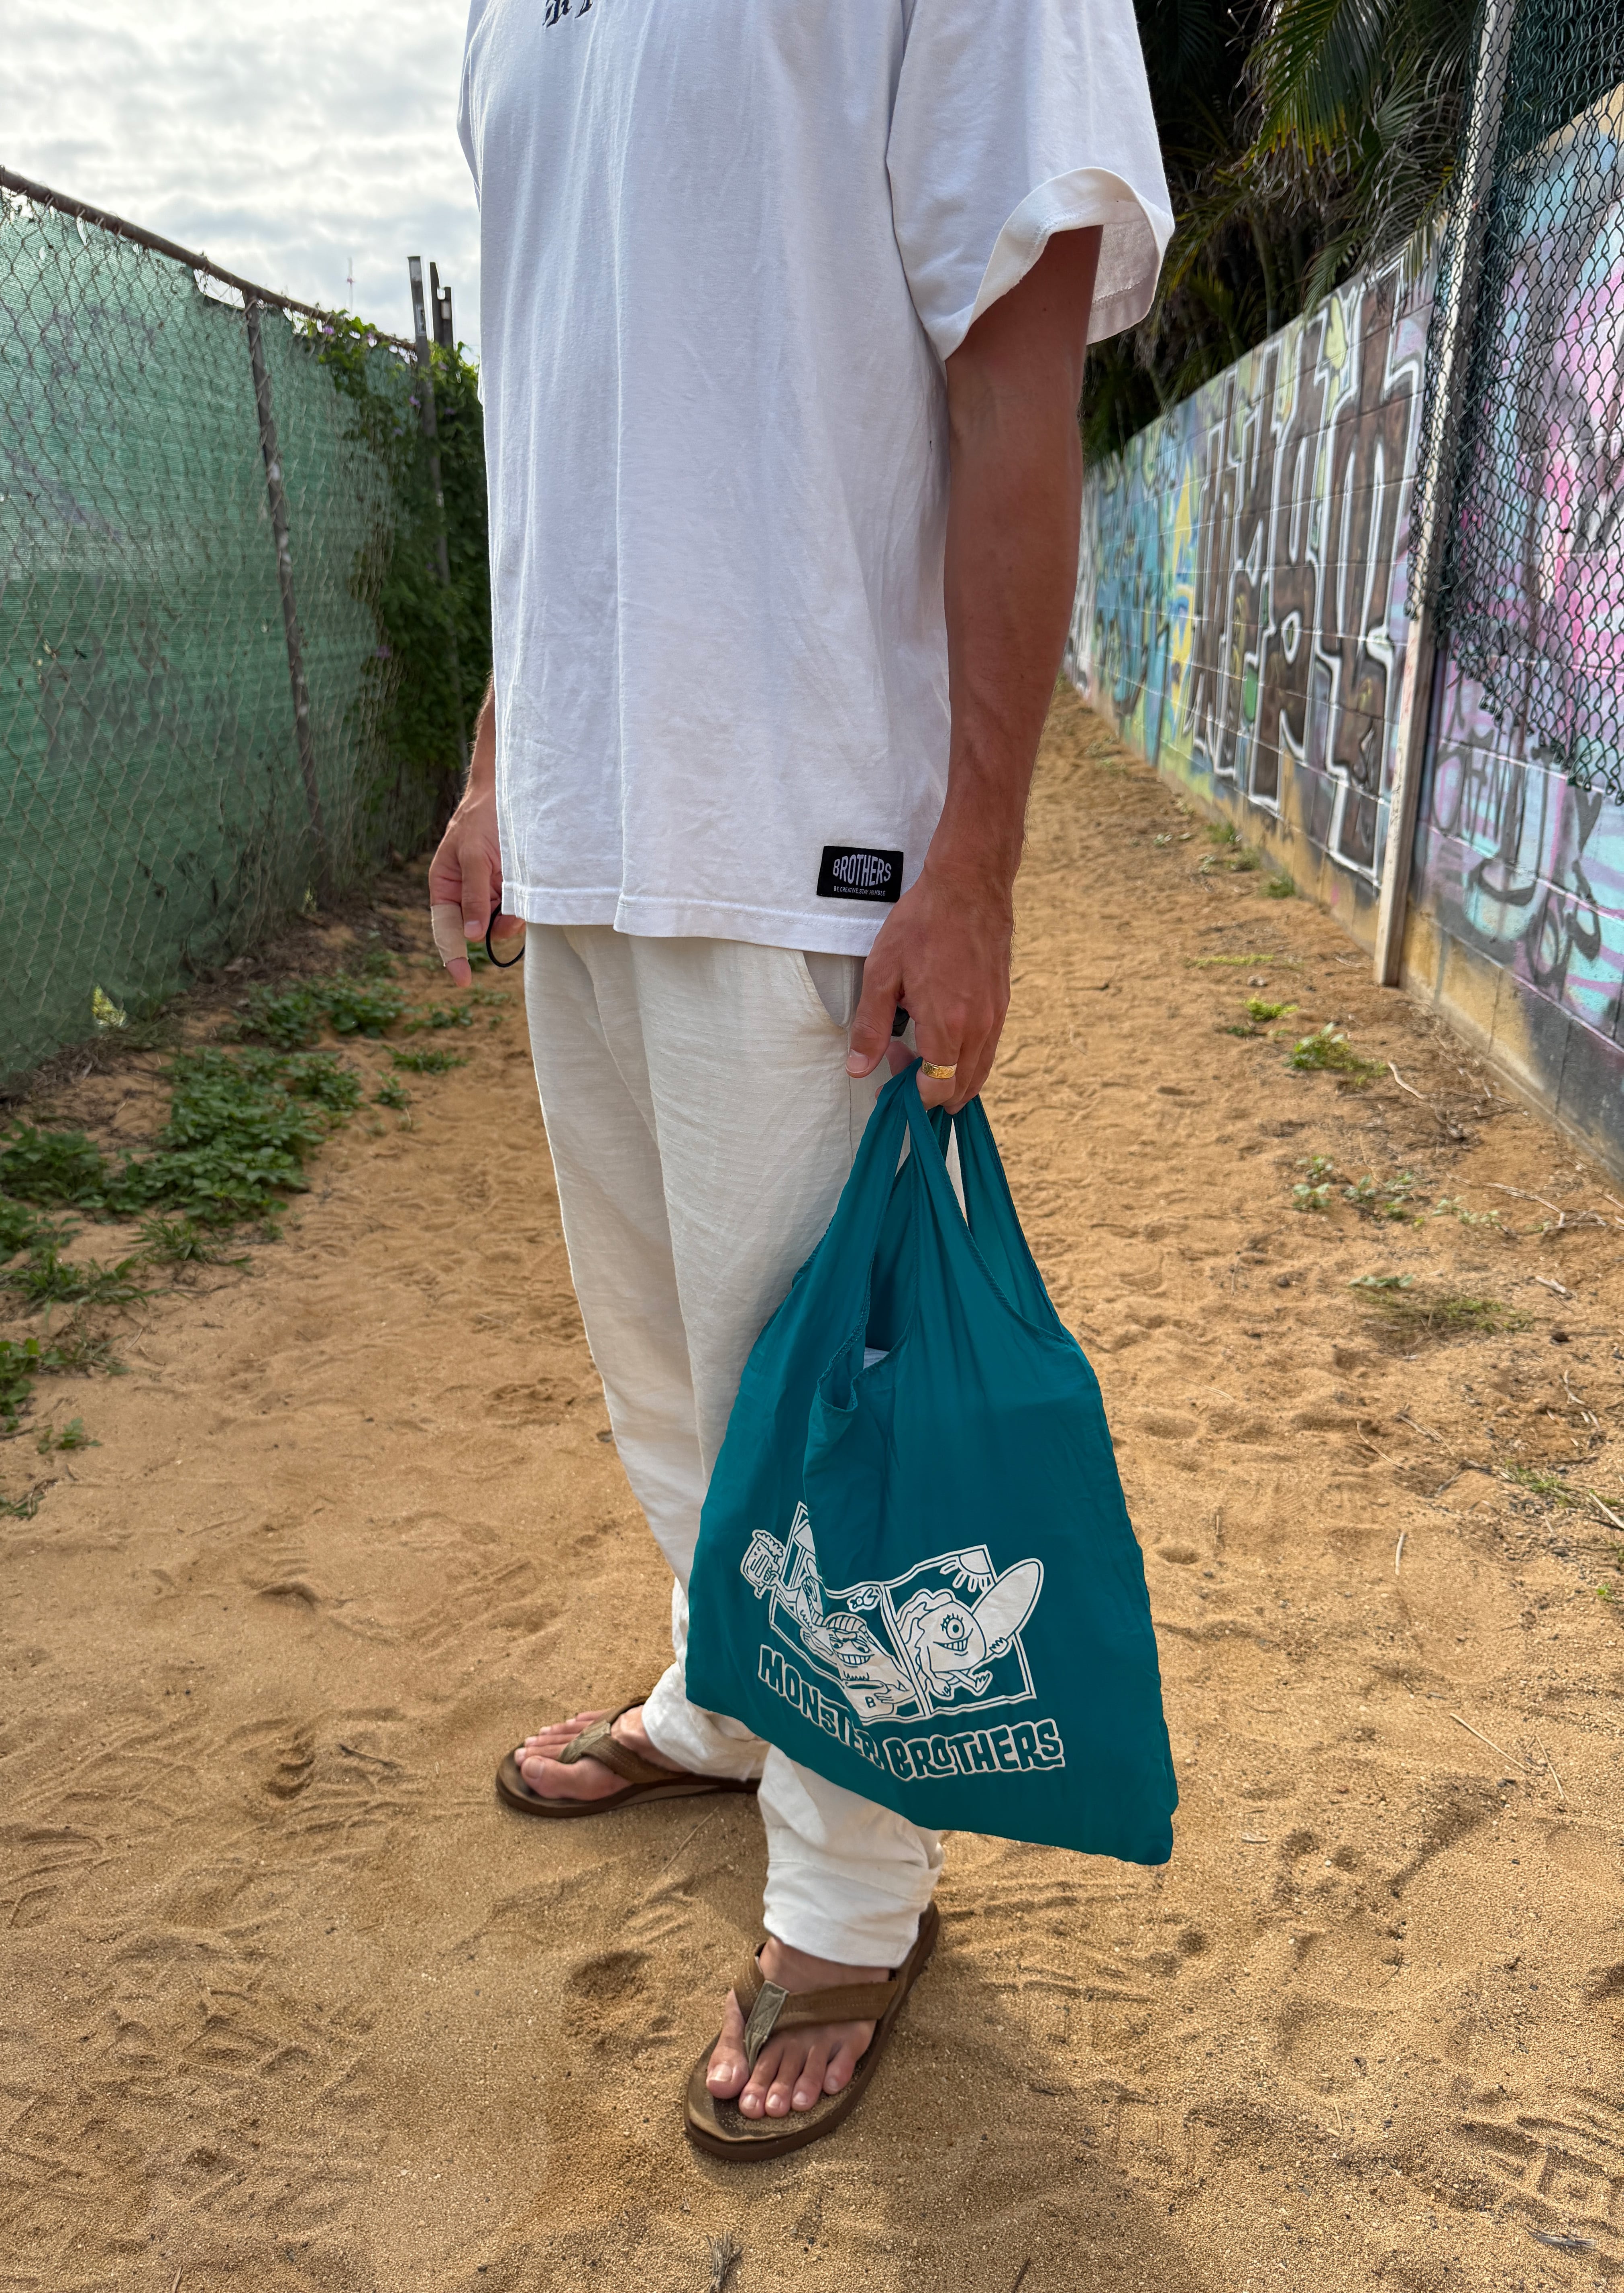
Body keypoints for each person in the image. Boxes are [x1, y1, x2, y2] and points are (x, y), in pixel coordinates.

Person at [435, 0, 1170, 2157]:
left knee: (819, 1407)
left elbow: (1015, 375)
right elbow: (563, 402)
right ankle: (728, 1697)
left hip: (806, 825)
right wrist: (497, 758)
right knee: (667, 1373)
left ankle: (854, 1898)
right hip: (591, 814)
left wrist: (979, 857)